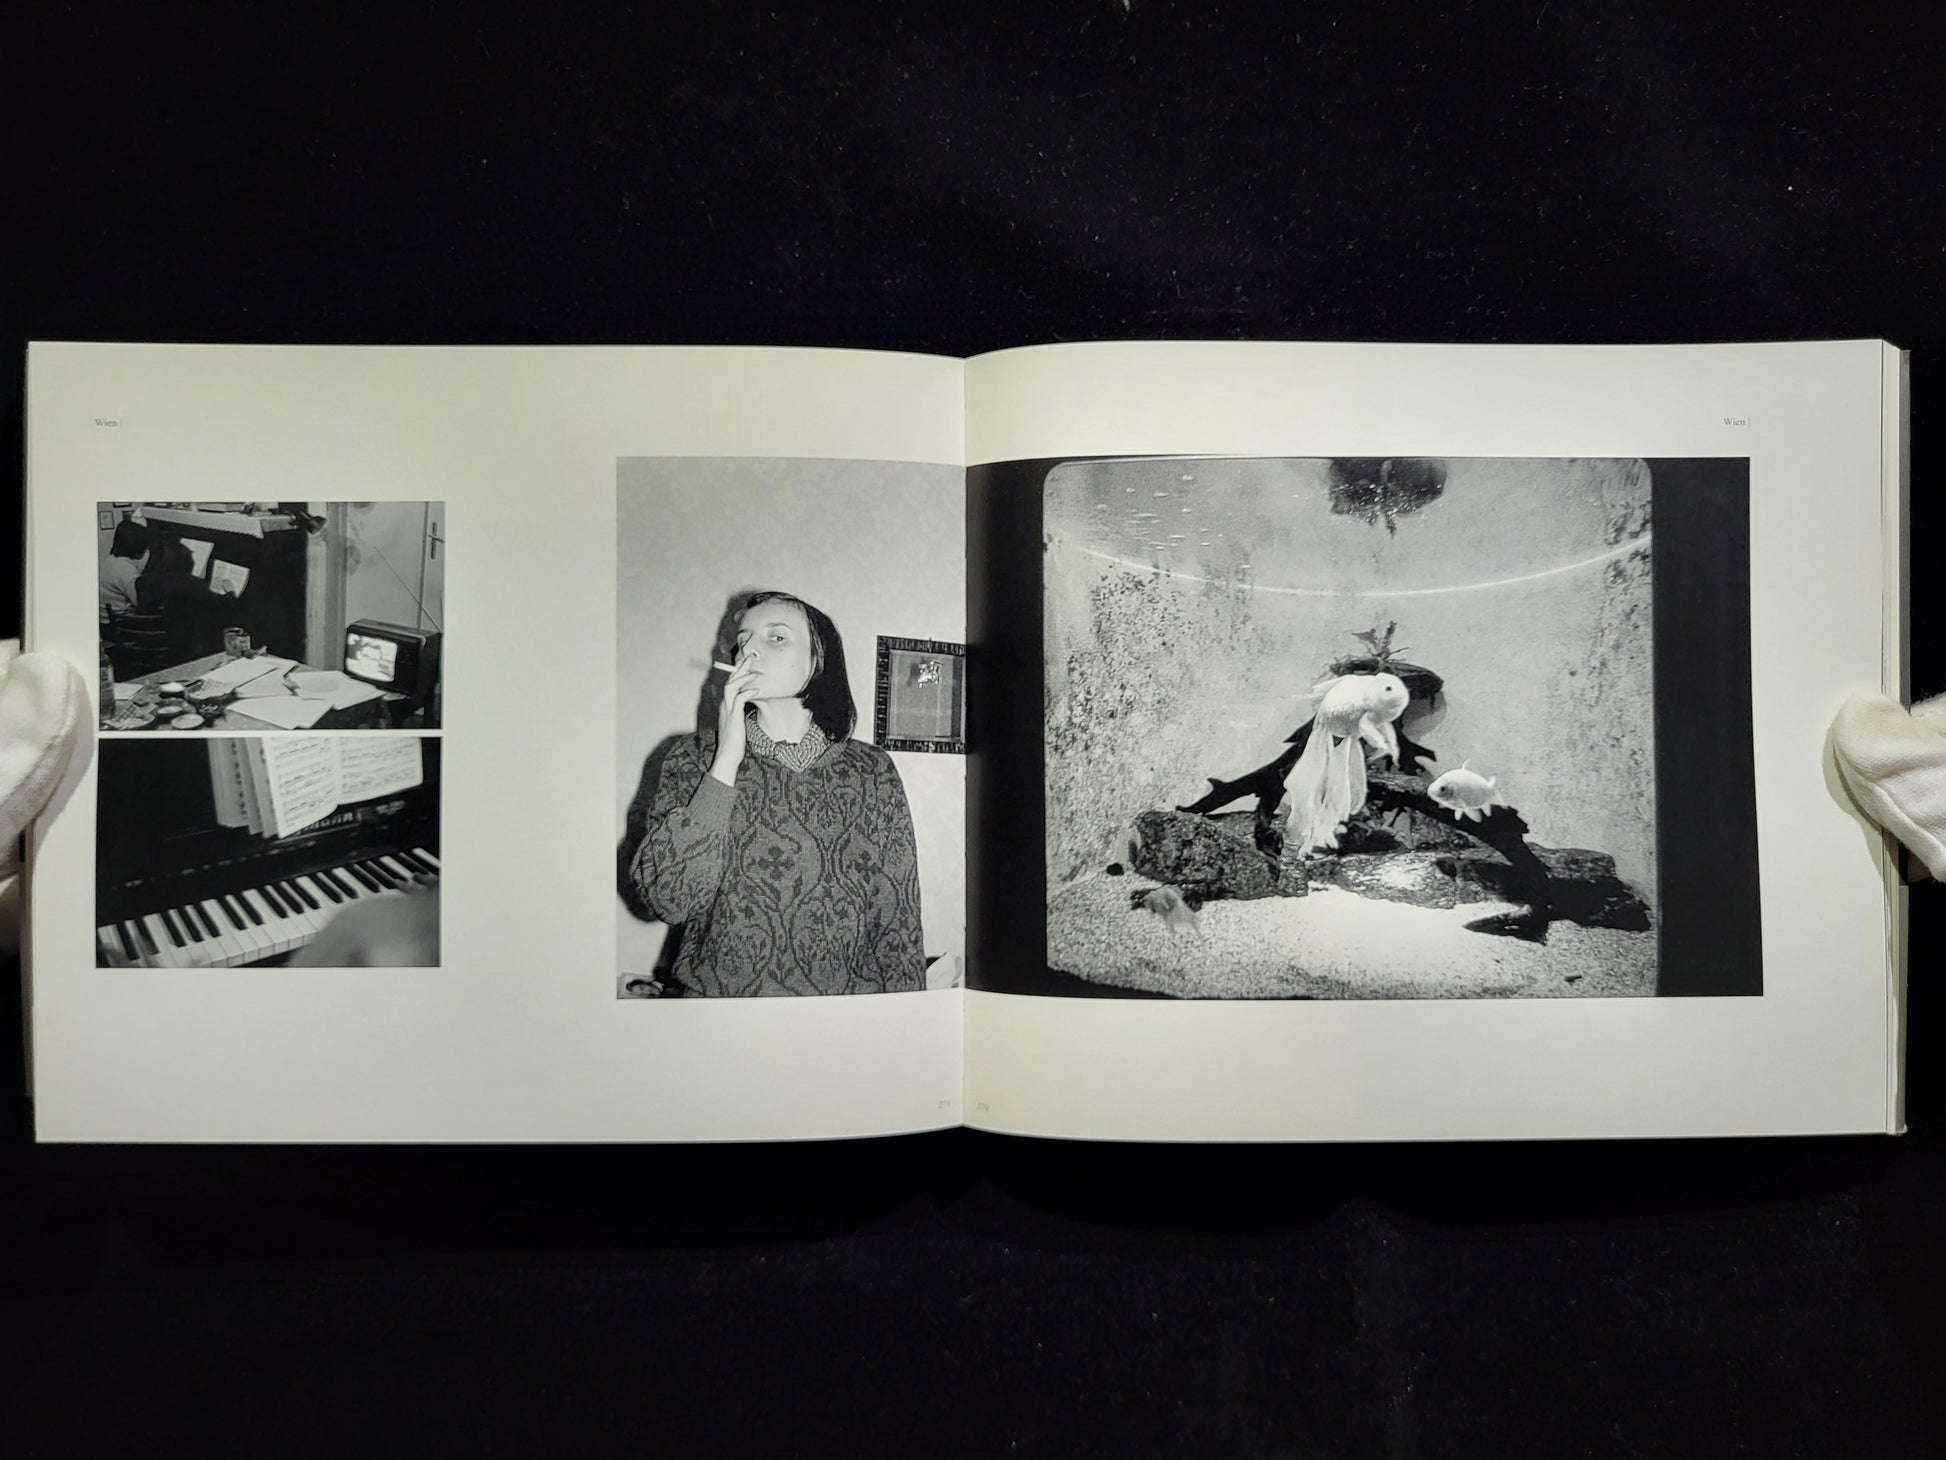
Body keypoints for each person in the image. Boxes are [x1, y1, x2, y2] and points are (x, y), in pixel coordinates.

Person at [628, 590, 926, 996]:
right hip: (722, 1013)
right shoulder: (693, 757)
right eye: (744, 639)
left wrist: (909, 1017)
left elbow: (898, 920)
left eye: (776, 637)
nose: (750, 649)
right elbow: (670, 901)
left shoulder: (873, 769)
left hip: (846, 1015)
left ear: (818, 659)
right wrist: (725, 761)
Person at [134, 537, 242, 664]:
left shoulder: (142, 582)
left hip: (148, 643)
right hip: (181, 646)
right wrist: (230, 592)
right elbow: (223, 606)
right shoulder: (193, 585)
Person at [98, 518, 151, 616]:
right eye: (144, 545)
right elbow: (141, 603)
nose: (146, 549)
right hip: (124, 620)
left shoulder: (111, 560)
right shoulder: (125, 569)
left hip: (108, 619)